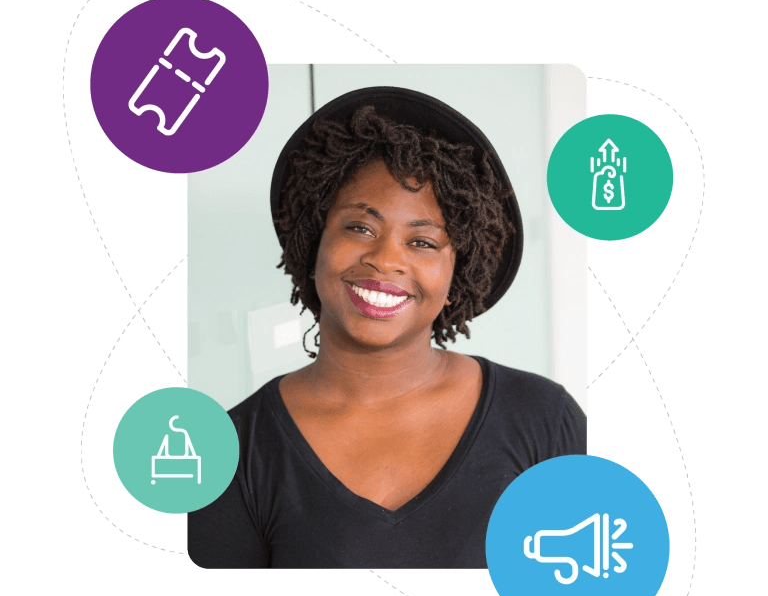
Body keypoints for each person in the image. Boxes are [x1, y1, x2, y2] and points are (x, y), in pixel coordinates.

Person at [187, 87, 586, 569]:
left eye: (422, 242)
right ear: (314, 244)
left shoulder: (544, 420)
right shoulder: (232, 453)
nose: (385, 259)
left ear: (456, 275)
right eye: (360, 228)